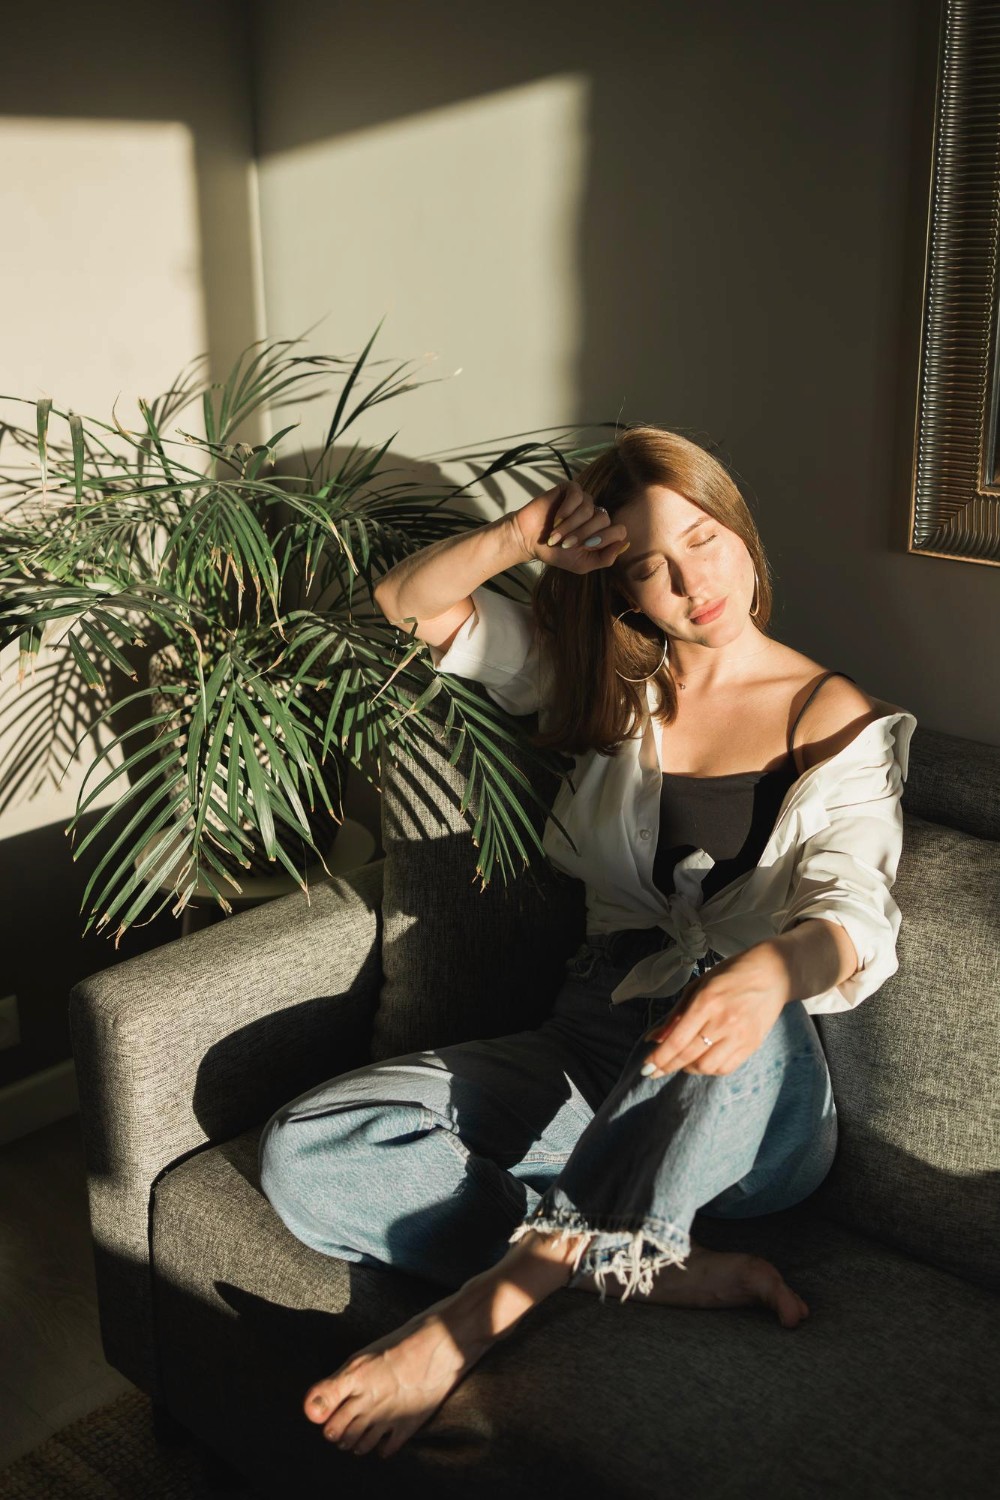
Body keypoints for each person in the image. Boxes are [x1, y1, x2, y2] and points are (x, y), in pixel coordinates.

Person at [258, 425, 916, 1462]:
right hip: (589, 1047)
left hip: (748, 1100)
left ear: (741, 532)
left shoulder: (831, 716)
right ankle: (637, 1263)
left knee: (723, 999)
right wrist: (524, 533)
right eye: (650, 566)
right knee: (309, 1148)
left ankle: (472, 1318)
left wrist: (769, 973)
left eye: (702, 540)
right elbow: (408, 604)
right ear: (620, 584)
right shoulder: (609, 685)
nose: (692, 583)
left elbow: (854, 909)